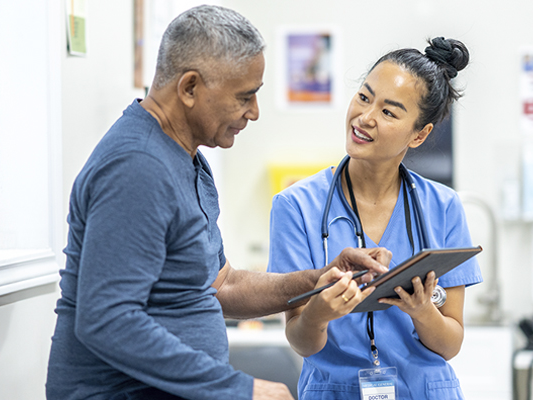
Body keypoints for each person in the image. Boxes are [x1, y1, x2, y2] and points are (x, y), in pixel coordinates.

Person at [45, 6, 391, 400]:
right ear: (189, 88)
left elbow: (222, 285)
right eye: (245, 97)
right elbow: (105, 319)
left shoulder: (186, 158)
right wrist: (239, 389)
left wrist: (317, 281)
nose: (255, 113)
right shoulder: (137, 168)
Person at [267, 37, 483, 399]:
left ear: (419, 134)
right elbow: (300, 341)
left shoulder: (444, 207)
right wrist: (319, 314)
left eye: (389, 112)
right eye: (364, 97)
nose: (365, 118)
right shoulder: (296, 206)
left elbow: (450, 343)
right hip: (335, 391)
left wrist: (422, 310)